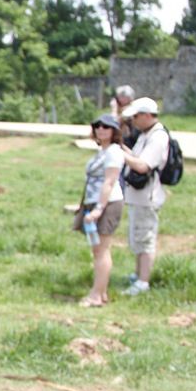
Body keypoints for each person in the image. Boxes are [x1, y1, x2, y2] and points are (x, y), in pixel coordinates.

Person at [118, 96, 170, 296]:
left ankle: (143, 281)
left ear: (147, 116)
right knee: (137, 236)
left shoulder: (158, 137)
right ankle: (138, 274)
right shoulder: (145, 134)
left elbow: (142, 165)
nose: (134, 121)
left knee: (146, 238)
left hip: (147, 196)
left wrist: (120, 154)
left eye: (136, 117)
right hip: (137, 195)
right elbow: (137, 157)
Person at [75, 114, 126, 307]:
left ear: (114, 131)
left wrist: (98, 209)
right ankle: (101, 292)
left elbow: (109, 181)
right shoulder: (103, 151)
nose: (101, 129)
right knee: (98, 250)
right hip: (95, 201)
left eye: (106, 126)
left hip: (107, 203)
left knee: (101, 250)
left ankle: (96, 295)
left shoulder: (113, 152)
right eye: (97, 126)